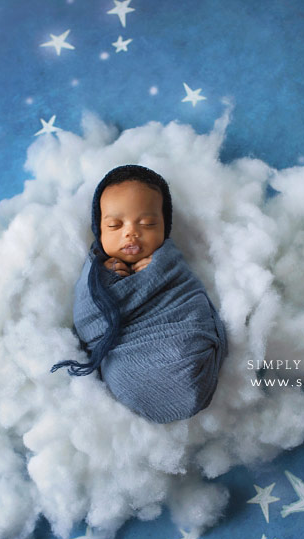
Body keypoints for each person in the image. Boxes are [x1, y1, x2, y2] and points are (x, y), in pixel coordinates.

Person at [51, 165, 227, 423]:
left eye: (147, 223)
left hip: (184, 352)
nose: (130, 232)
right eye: (115, 225)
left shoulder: (171, 264)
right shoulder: (95, 273)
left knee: (186, 354)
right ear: (99, 230)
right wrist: (106, 277)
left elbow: (191, 299)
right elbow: (87, 321)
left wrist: (161, 269)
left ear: (165, 227)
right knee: (122, 372)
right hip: (128, 362)